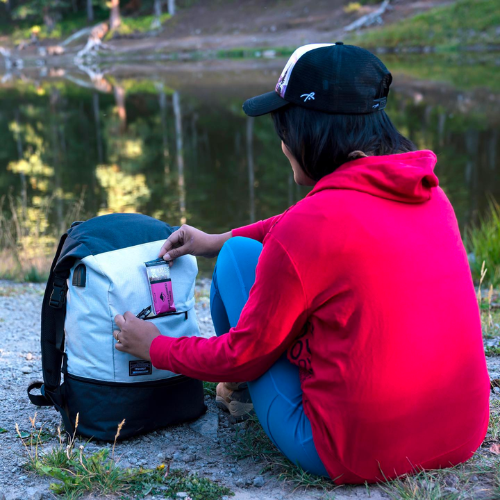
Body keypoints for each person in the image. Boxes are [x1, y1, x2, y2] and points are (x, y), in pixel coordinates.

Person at [113, 43, 490, 484]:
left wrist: (154, 346)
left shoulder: (311, 226)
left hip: (353, 453)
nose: (282, 142)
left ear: (311, 132)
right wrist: (216, 239)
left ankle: (243, 397)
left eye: (285, 126)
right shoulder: (429, 194)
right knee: (234, 249)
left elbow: (241, 355)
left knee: (237, 261)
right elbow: (304, 223)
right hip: (461, 433)